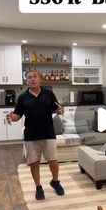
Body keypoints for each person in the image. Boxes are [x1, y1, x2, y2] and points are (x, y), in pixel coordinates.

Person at [6, 69, 65, 200]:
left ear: (40, 79)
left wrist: (61, 110)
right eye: (29, 77)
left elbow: (58, 109)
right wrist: (11, 118)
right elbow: (17, 115)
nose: (32, 79)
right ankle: (38, 187)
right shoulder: (23, 97)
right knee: (34, 163)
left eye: (35, 76)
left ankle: (55, 181)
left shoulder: (49, 94)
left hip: (48, 133)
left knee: (53, 161)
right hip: (31, 135)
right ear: (26, 80)